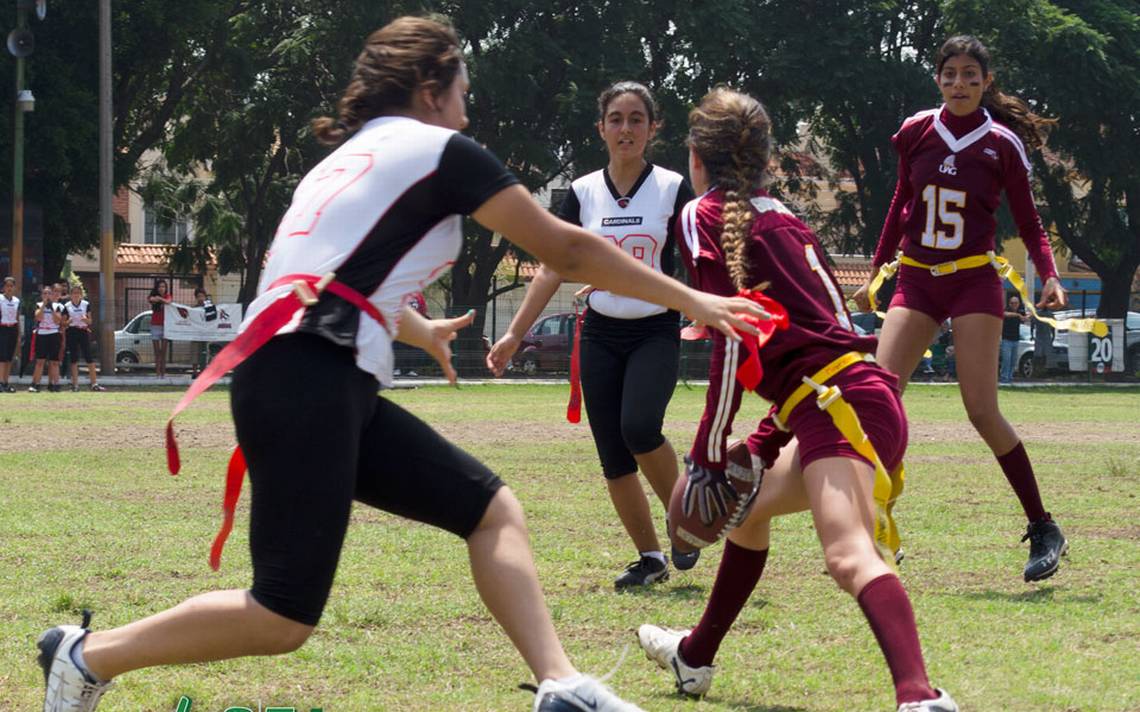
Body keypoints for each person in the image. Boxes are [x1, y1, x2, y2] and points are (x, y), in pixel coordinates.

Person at [36, 17, 767, 712]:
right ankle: (87, 655)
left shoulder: (344, 163)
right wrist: (697, 303)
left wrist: (418, 328)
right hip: (306, 377)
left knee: (491, 511)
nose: (467, 114)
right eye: (463, 95)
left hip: (302, 374)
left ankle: (560, 684)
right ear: (430, 92)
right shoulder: (437, 152)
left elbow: (317, 271)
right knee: (283, 613)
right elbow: (567, 250)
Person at [638, 87, 956, 711]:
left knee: (847, 555)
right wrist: (763, 440)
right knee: (749, 515)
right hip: (856, 397)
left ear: (696, 158)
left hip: (840, 406)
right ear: (763, 159)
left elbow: (734, 341)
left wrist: (705, 451)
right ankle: (694, 657)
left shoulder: (700, 214)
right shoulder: (784, 218)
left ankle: (920, 698)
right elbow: (822, 342)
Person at [853, 35, 1068, 582]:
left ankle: (1043, 525)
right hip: (919, 279)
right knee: (880, 397)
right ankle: (878, 527)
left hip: (973, 279)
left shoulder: (1002, 143)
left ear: (985, 81)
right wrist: (876, 275)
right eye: (950, 73)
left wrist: (1050, 274)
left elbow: (1029, 221)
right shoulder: (915, 131)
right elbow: (900, 205)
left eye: (971, 74)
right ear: (938, 78)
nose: (959, 83)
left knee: (980, 409)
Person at [487, 81, 698, 588]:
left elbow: (699, 255)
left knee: (640, 427)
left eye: (636, 119)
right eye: (616, 119)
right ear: (601, 127)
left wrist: (712, 307)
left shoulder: (672, 187)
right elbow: (552, 266)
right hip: (601, 333)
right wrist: (516, 334)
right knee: (613, 454)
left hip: (656, 329)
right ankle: (649, 558)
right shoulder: (582, 192)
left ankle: (687, 523)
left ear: (653, 127)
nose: (626, 129)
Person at [62, 284, 106, 392]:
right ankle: (75, 385)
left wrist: (85, 319)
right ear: (70, 295)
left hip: (83, 331)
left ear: (81, 295)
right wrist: (68, 322)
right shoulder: (67, 306)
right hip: (72, 331)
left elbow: (90, 321)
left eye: (78, 293)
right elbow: (63, 323)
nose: (76, 295)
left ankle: (94, 383)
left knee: (89, 358)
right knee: (74, 358)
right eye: (74, 293)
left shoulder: (86, 304)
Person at [29, 286, 64, 393]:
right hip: (42, 334)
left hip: (54, 334)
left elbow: (58, 321)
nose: (47, 295)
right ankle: (35, 384)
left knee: (54, 362)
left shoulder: (57, 306)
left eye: (49, 293)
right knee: (40, 361)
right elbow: (38, 317)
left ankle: (55, 384)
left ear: (52, 295)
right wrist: (44, 305)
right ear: (42, 295)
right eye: (45, 293)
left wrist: (51, 309)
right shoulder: (38, 305)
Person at [999, 293, 1027, 384]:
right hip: (1006, 340)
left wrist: (1028, 316)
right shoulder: (1006, 310)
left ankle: (1010, 377)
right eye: (1012, 303)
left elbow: (1025, 319)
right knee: (1006, 359)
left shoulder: (1021, 311)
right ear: (1009, 304)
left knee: (1013, 360)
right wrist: (1018, 315)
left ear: (1019, 303)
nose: (1014, 305)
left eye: (1016, 303)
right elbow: (1005, 314)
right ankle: (1004, 378)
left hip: (1016, 340)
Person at [148, 278, 172, 379]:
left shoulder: (167, 296)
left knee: (164, 351)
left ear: (166, 288)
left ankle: (163, 373)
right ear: (157, 288)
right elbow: (151, 299)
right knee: (157, 352)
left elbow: (169, 301)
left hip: (165, 326)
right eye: (160, 286)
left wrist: (160, 299)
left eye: (163, 286)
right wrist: (158, 299)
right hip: (155, 325)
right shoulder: (152, 296)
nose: (162, 288)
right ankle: (157, 373)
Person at [0, 276, 20, 392]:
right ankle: (0, 382)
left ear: (14, 288)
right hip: (2, 329)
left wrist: (19, 333)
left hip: (12, 329)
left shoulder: (16, 301)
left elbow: (17, 317)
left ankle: (6, 382)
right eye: (7, 286)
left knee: (9, 358)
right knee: (1, 358)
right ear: (3, 287)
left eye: (11, 286)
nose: (9, 288)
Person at [190, 287, 213, 377]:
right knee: (194, 352)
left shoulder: (209, 308)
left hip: (205, 334)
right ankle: (194, 372)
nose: (201, 298)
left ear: (205, 297)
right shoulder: (193, 309)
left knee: (204, 352)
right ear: (196, 297)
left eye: (202, 296)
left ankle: (203, 371)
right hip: (195, 334)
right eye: (199, 296)